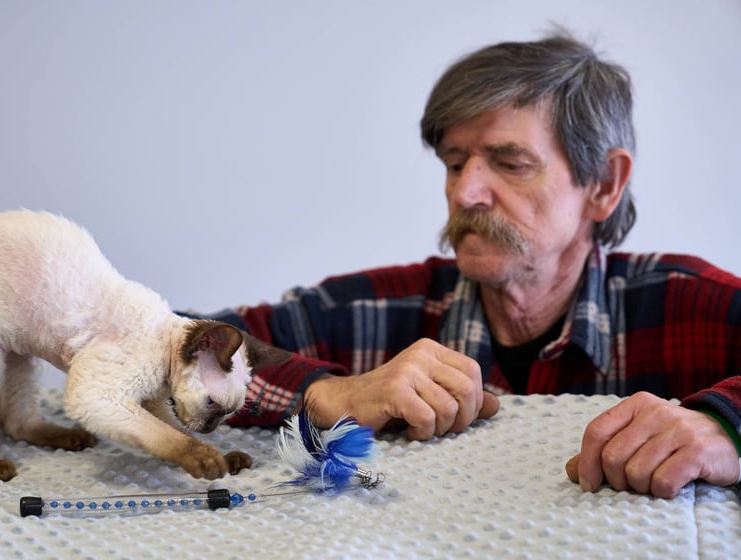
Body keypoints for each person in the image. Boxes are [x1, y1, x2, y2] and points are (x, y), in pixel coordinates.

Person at [179, 31, 741, 499]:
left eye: (510, 163)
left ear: (604, 184)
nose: (465, 192)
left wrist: (725, 425)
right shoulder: (382, 310)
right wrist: (327, 394)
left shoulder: (683, 303)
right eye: (454, 163)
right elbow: (169, 342)